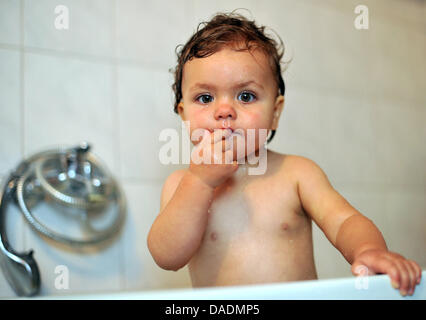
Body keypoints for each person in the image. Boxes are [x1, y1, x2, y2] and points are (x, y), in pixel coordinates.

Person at [147, 12, 422, 296]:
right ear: (184, 115)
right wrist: (199, 182)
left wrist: (368, 250)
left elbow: (344, 221)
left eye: (245, 96)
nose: (224, 110)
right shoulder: (182, 184)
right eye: (205, 98)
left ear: (275, 113)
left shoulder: (297, 174)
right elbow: (167, 257)